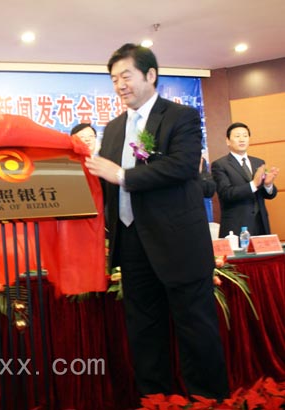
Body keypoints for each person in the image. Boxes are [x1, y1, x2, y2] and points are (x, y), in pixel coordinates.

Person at [85, 43, 229, 400]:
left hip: (178, 244)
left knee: (195, 329)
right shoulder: (113, 128)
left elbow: (182, 166)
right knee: (144, 332)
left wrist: (122, 175)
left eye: (126, 76)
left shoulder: (181, 116)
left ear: (150, 75)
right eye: (114, 79)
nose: (120, 85)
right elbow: (104, 182)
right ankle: (156, 401)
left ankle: (207, 402)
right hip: (132, 242)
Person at [211, 122, 279, 238]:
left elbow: (269, 195)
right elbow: (226, 193)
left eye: (245, 136)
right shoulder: (219, 165)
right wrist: (253, 184)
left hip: (260, 224)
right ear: (228, 141)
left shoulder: (258, 162)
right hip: (236, 226)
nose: (242, 139)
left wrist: (268, 185)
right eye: (237, 136)